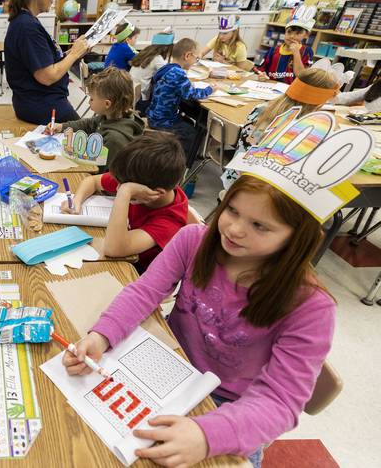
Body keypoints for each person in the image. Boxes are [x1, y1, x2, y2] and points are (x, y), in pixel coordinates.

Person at [61, 175, 335, 467]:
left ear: (297, 238)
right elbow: (144, 292)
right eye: (232, 210)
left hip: (230, 408)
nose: (235, 229)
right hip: (167, 365)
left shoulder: (311, 307)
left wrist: (207, 435)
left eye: (260, 225)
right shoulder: (194, 239)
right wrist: (101, 335)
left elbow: (281, 401)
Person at [62, 132, 188, 271]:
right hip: (114, 253)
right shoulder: (140, 175)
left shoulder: (170, 222)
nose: (117, 188)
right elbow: (92, 181)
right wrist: (77, 200)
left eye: (123, 187)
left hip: (135, 272)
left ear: (157, 193)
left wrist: (125, 193)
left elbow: (114, 249)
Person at [222, 67, 338, 189]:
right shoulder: (304, 127)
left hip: (233, 179)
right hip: (257, 190)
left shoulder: (261, 108)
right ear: (320, 101)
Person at [5, 0, 89, 124]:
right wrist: (73, 54)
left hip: (43, 102)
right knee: (85, 140)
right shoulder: (26, 27)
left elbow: (43, 59)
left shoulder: (27, 21)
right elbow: (47, 75)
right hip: (43, 106)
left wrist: (74, 52)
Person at [47, 67, 144, 171]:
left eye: (92, 99)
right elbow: (89, 123)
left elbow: (101, 173)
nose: (89, 102)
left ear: (107, 104)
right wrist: (62, 126)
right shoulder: (110, 115)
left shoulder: (114, 140)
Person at [145, 38, 214, 161]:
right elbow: (191, 94)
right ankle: (181, 165)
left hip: (154, 115)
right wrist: (210, 89)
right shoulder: (178, 73)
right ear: (187, 55)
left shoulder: (168, 68)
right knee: (191, 133)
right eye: (196, 59)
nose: (195, 62)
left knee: (189, 123)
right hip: (162, 121)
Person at [258, 5, 315, 84]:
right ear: (285, 31)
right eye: (289, 32)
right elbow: (262, 68)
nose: (292, 36)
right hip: (270, 87)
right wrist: (262, 74)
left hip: (292, 90)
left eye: (298, 33)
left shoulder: (307, 52)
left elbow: (301, 75)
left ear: (306, 35)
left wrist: (296, 53)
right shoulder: (274, 50)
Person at [130, 29, 174, 111]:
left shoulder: (146, 52)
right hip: (140, 100)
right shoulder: (157, 58)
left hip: (131, 94)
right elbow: (170, 74)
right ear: (167, 48)